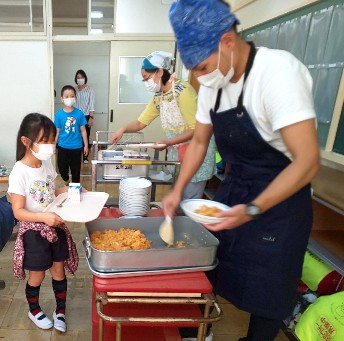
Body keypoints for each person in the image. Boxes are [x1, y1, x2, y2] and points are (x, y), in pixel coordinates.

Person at [164, 1, 320, 341]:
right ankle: (195, 333)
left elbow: (307, 160)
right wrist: (177, 190)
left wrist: (252, 209)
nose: (201, 78)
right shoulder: (212, 86)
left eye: (203, 66)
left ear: (228, 41)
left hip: (281, 199)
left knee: (268, 291)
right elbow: (201, 143)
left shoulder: (277, 73)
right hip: (234, 188)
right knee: (208, 266)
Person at [111, 51, 216, 200]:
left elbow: (196, 129)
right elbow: (141, 122)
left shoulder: (183, 91)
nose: (146, 82)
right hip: (178, 154)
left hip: (196, 152)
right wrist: (123, 129)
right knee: (179, 198)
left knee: (190, 200)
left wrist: (169, 142)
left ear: (160, 72)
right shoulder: (159, 97)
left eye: (147, 78)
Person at [8, 113, 78, 332]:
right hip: (34, 232)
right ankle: (34, 310)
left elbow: (50, 192)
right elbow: (18, 212)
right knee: (37, 274)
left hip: (54, 225)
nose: (50, 145)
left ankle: (60, 310)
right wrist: (43, 218)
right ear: (26, 142)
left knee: (59, 271)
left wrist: (69, 189)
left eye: (51, 140)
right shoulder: (19, 171)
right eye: (44, 140)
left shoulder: (47, 164)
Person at [54, 85, 88, 186]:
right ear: (62, 98)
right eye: (67, 96)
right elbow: (57, 131)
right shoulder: (58, 115)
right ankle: (66, 180)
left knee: (76, 172)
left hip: (76, 147)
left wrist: (86, 145)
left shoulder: (79, 114)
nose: (69, 98)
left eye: (72, 96)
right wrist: (53, 145)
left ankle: (75, 191)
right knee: (62, 169)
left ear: (75, 97)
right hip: (63, 147)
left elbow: (83, 131)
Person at [74, 69, 95, 164]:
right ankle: (77, 155)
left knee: (86, 136)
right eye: (78, 77)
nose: (80, 79)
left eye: (81, 77)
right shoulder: (74, 90)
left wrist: (91, 118)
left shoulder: (90, 90)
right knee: (76, 136)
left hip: (86, 116)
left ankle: (85, 156)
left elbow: (92, 105)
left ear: (85, 78)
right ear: (76, 79)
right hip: (75, 116)